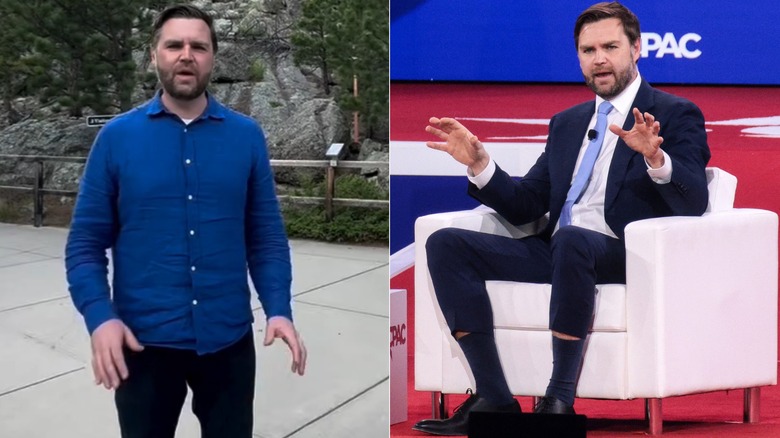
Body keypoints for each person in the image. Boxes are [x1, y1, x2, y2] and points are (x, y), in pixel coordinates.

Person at [412, 2, 710, 435]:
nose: (599, 58)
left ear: (637, 48)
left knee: (572, 239)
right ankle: (493, 397)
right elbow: (528, 205)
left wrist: (655, 157)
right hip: (559, 251)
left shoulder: (674, 112)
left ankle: (558, 402)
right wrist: (481, 165)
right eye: (588, 50)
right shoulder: (567, 123)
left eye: (610, 46)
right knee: (445, 242)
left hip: (622, 253)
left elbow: (695, 199)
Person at [64, 4, 307, 438]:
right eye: (174, 45)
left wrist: (278, 309)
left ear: (213, 57)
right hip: (142, 345)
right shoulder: (117, 139)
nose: (186, 55)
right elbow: (84, 244)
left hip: (228, 343)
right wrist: (100, 317)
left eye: (199, 46)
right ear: (154, 54)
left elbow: (266, 238)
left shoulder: (245, 136)